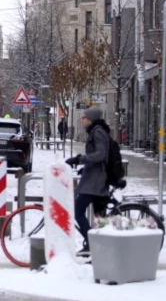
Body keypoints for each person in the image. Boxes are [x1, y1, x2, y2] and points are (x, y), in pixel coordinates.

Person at [65, 107, 110, 255]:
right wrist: (85, 168)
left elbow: (101, 154)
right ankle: (100, 248)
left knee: (77, 211)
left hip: (95, 181)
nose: (82, 120)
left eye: (84, 117)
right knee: (99, 216)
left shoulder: (97, 132)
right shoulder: (96, 131)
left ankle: (92, 243)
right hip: (94, 178)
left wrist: (80, 160)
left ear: (91, 119)